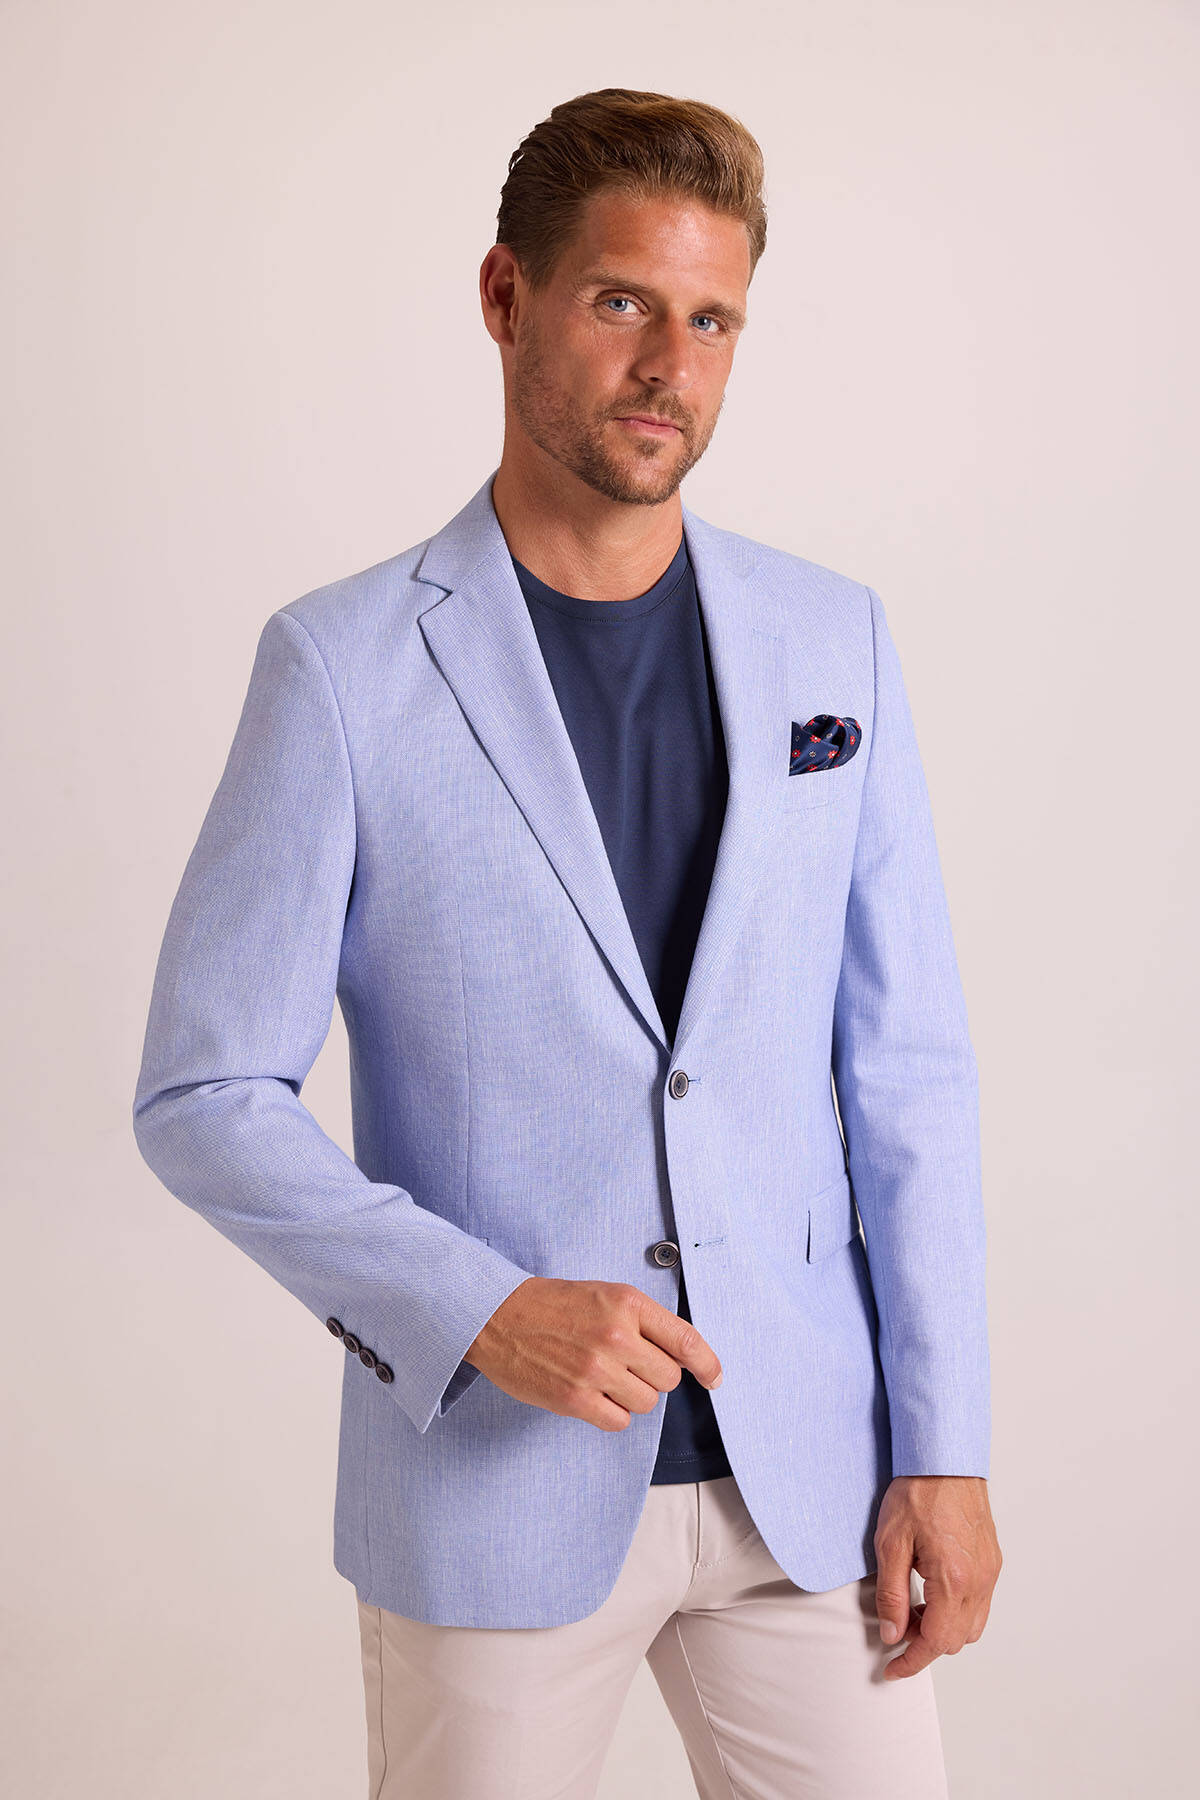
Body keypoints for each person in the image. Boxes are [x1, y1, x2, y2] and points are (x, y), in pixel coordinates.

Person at [133, 86, 1002, 1800]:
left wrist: (947, 1445)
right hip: (494, 1486)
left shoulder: (833, 641)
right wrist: (480, 1310)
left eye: (712, 320)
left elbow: (905, 1075)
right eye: (621, 302)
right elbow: (204, 1093)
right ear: (504, 295)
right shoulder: (342, 669)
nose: (669, 365)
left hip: (808, 1482)